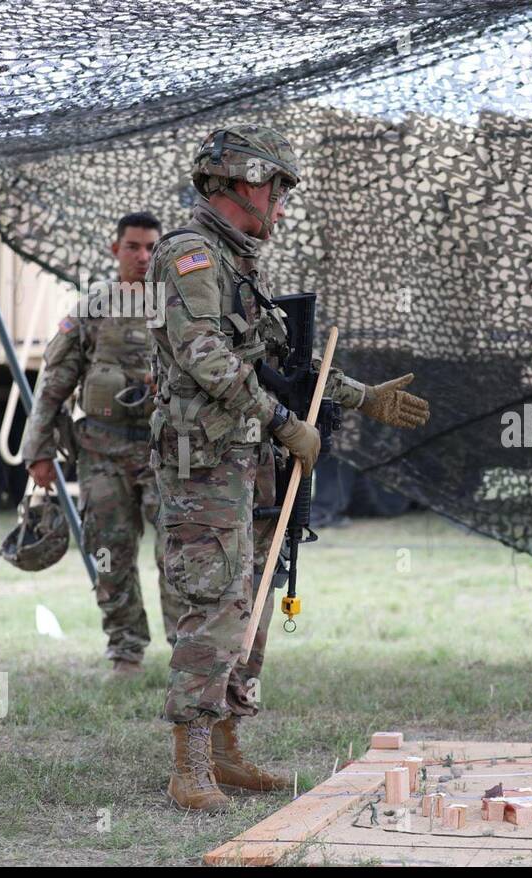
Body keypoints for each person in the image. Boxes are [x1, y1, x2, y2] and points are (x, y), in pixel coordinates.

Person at [148, 125, 430, 811]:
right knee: (210, 608)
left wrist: (363, 398)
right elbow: (208, 359)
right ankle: (189, 767)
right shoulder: (188, 256)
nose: (279, 203)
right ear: (240, 184)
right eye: (274, 189)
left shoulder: (237, 265)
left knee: (250, 605)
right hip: (202, 469)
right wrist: (284, 425)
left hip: (245, 466)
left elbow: (286, 370)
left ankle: (228, 750)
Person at [20, 211, 182, 677]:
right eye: (133, 246)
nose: (143, 256)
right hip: (101, 453)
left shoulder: (179, 308)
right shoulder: (91, 308)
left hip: (164, 452)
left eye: (152, 247)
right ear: (116, 250)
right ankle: (126, 651)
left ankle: (186, 654)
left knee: (177, 554)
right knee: (109, 552)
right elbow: (54, 382)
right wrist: (39, 451)